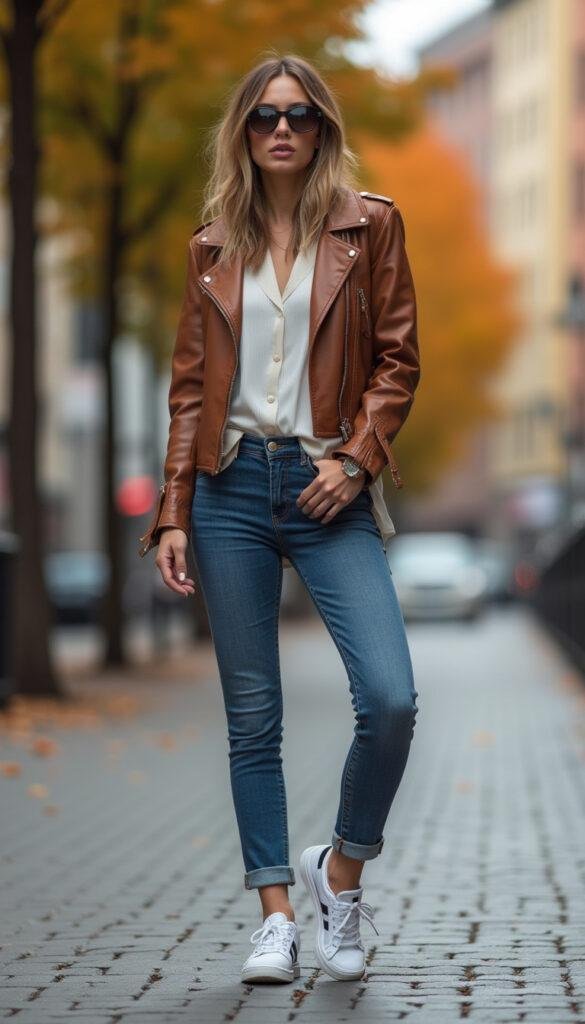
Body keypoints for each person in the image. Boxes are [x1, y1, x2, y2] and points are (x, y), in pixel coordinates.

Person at [138, 52, 421, 985]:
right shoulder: (211, 244)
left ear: (323, 127)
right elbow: (190, 391)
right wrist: (172, 509)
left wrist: (355, 459)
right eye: (264, 117)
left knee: (388, 699)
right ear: (244, 133)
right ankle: (275, 915)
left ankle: (338, 874)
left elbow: (396, 362)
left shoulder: (369, 227)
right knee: (251, 717)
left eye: (298, 115)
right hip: (226, 491)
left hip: (324, 487)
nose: (282, 130)